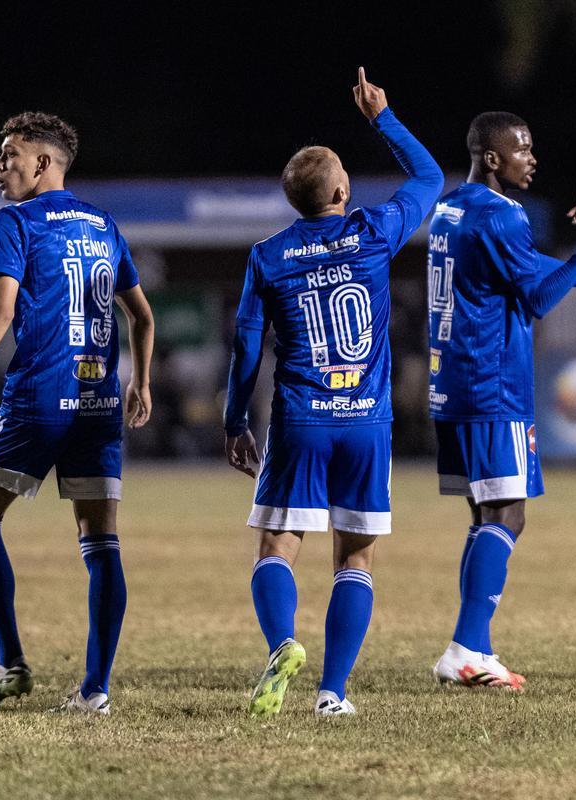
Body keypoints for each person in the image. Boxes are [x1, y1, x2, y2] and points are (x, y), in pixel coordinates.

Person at [0, 112, 155, 715]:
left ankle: (11, 663)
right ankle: (95, 691)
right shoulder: (104, 225)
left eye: (9, 155)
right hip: (98, 405)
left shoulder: (15, 222)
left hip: (38, 400)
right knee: (102, 542)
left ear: (43, 163)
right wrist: (139, 384)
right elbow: (143, 317)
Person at [224, 68, 443, 717]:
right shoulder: (373, 232)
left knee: (276, 547)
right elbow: (430, 178)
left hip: (299, 422)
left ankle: (282, 644)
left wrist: (236, 420)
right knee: (356, 557)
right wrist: (381, 117)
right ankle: (332, 694)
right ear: (343, 189)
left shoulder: (268, 255)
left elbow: (245, 346)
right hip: (365, 421)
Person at [427, 112, 576, 689]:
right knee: (509, 514)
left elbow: (514, 269)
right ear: (493, 158)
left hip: (454, 381)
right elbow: (537, 296)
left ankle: (474, 646)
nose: (533, 158)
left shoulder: (453, 208)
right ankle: (466, 648)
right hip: (494, 384)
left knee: (484, 516)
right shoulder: (505, 215)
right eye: (523, 149)